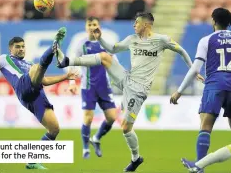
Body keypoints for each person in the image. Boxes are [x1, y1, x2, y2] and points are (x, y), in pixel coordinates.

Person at [55, 12, 203, 172]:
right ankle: (67, 61)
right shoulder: (132, 39)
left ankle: (136, 158)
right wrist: (100, 38)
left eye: (137, 23)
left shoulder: (162, 40)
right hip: (127, 78)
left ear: (146, 24)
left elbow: (182, 51)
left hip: (139, 90)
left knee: (125, 127)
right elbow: (112, 48)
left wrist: (193, 70)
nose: (134, 25)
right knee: (105, 56)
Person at [0, 28, 78, 170]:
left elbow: (44, 81)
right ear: (11, 48)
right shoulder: (4, 59)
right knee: (36, 68)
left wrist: (65, 77)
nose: (21, 49)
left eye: (23, 47)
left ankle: (32, 161)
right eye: (17, 47)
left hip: (36, 95)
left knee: (54, 129)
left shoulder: (28, 64)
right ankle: (53, 46)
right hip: (22, 87)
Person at [170, 8, 231, 172]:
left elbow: (196, 69)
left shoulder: (207, 40)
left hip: (214, 86)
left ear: (213, 21)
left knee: (206, 125)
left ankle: (199, 165)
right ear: (230, 23)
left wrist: (179, 91)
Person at [67, 17, 117, 159]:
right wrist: (71, 83)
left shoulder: (106, 44)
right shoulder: (81, 44)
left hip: (104, 86)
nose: (92, 27)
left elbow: (114, 63)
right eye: (89, 24)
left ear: (99, 26)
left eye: (94, 24)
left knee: (112, 117)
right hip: (88, 86)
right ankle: (85, 149)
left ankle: (96, 139)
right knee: (88, 118)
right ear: (86, 27)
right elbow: (73, 63)